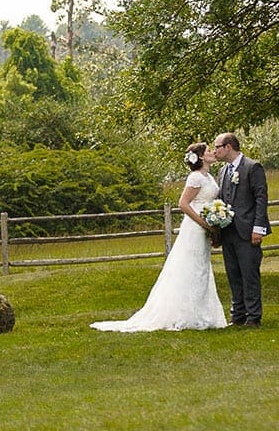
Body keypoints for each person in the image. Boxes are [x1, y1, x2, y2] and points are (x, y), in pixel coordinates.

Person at [90, 143, 228, 332]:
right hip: (195, 228)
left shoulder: (208, 176)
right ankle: (182, 314)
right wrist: (204, 223)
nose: (213, 152)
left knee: (201, 268)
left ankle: (201, 312)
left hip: (205, 226)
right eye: (209, 151)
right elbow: (183, 204)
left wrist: (215, 217)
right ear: (201, 157)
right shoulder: (195, 177)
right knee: (191, 267)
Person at [211, 133, 269, 326]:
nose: (215, 151)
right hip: (228, 232)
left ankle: (253, 316)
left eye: (217, 146)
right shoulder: (223, 172)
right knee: (233, 273)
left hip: (248, 231)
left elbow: (261, 199)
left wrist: (258, 228)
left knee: (249, 273)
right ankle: (238, 315)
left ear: (228, 147)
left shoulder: (253, 167)